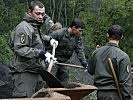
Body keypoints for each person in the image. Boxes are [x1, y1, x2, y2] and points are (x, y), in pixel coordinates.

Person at [9, 0, 58, 98]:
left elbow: (37, 37)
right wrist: (40, 53)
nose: (40, 17)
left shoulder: (34, 26)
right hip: (25, 72)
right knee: (25, 98)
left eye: (42, 14)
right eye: (37, 13)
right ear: (29, 12)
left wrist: (50, 39)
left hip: (36, 70)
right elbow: (20, 48)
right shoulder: (23, 27)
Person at [88, 25, 132, 100]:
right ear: (121, 37)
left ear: (107, 35)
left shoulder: (96, 52)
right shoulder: (123, 56)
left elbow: (90, 71)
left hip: (99, 94)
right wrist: (126, 97)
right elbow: (124, 82)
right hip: (114, 95)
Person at [50, 18, 88, 82]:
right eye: (80, 30)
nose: (81, 33)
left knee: (64, 83)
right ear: (73, 28)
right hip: (53, 61)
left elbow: (80, 50)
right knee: (50, 80)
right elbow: (46, 43)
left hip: (65, 62)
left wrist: (84, 62)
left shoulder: (78, 37)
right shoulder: (59, 33)